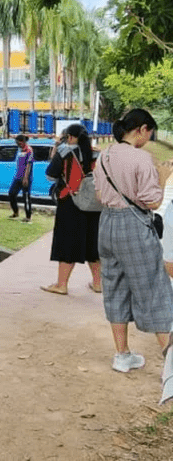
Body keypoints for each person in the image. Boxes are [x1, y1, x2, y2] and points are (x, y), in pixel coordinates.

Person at [93, 108, 173, 373]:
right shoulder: (142, 158)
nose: (148, 139)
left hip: (106, 224)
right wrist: (162, 178)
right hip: (134, 225)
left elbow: (98, 193)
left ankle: (122, 355)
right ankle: (170, 362)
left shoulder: (104, 155)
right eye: (149, 133)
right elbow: (152, 201)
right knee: (154, 288)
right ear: (141, 129)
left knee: (114, 286)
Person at [40, 124, 102, 295]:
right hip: (94, 204)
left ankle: (61, 284)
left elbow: (50, 175)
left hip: (71, 202)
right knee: (92, 243)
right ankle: (98, 283)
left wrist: (56, 149)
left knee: (67, 243)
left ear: (70, 137)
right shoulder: (98, 154)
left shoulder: (64, 152)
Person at [8, 134, 34, 223]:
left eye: (17, 142)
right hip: (17, 177)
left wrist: (26, 178)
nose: (16, 143)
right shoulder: (19, 150)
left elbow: (29, 165)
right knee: (11, 193)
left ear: (22, 142)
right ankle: (15, 212)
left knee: (26, 197)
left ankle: (28, 217)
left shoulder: (29, 150)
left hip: (25, 178)